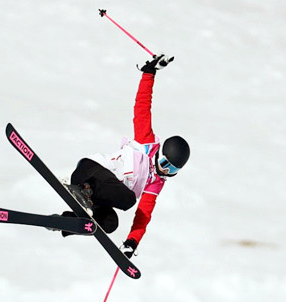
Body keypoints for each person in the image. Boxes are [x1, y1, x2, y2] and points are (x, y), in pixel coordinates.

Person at [61, 54, 190, 259]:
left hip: (97, 195)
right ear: (161, 154)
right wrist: (149, 73)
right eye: (165, 163)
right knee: (128, 199)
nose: (165, 170)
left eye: (172, 170)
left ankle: (67, 222)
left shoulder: (156, 183)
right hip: (90, 171)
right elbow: (142, 107)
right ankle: (81, 190)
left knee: (110, 223)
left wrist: (132, 242)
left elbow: (143, 216)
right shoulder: (146, 142)